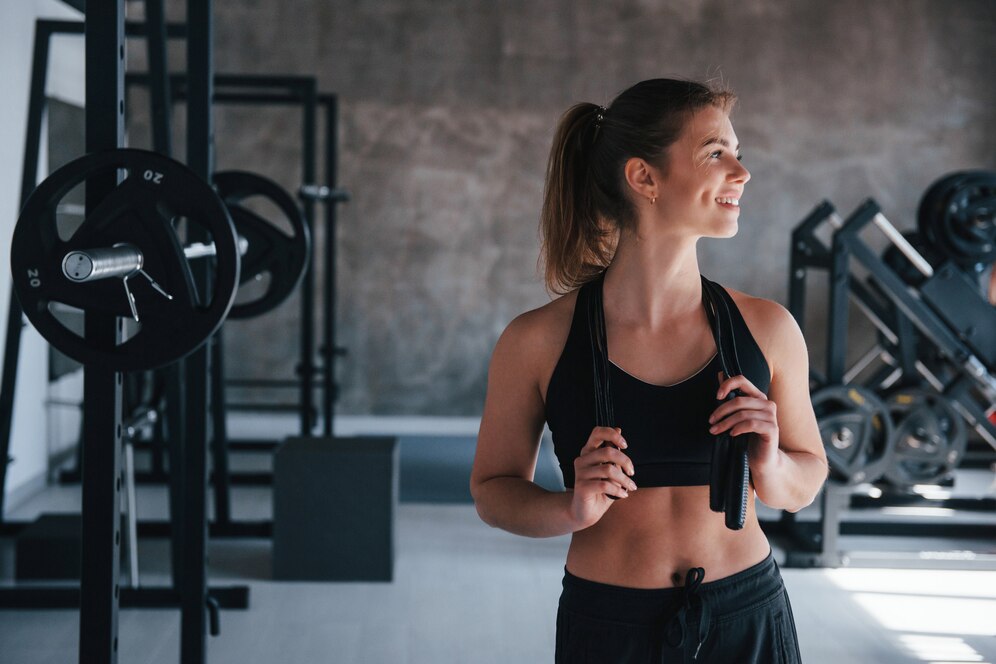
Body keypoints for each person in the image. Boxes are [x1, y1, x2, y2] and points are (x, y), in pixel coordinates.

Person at [470, 78, 829, 663]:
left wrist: (771, 460)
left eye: (739, 154)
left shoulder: (769, 329)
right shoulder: (536, 341)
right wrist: (571, 508)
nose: (741, 172)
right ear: (644, 177)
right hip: (609, 625)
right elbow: (492, 492)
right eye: (717, 153)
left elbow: (805, 481)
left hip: (746, 617)